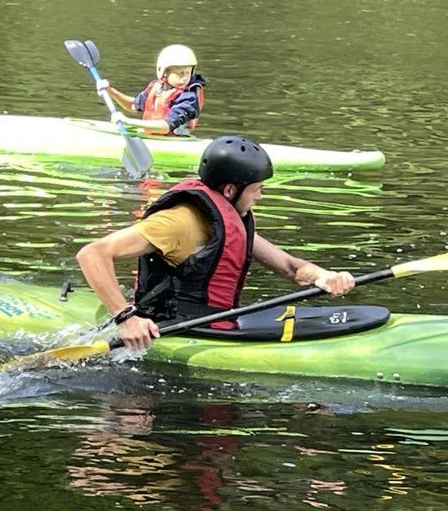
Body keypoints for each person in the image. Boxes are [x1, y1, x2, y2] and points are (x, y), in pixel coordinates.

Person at [75, 135, 355, 352]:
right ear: (231, 190)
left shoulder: (230, 219)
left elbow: (291, 268)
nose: (260, 196)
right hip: (169, 327)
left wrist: (324, 276)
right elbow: (92, 254)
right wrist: (126, 318)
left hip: (215, 324)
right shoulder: (179, 222)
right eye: (257, 189)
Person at [97, 44, 206, 136]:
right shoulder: (156, 87)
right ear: (164, 72)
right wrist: (110, 90)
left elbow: (166, 127)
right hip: (150, 136)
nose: (184, 77)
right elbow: (132, 106)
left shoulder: (188, 98)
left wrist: (127, 121)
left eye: (187, 73)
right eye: (179, 73)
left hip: (173, 141)